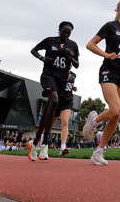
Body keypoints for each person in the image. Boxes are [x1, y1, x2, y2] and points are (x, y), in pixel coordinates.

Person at [83, 0, 120, 165]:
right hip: (109, 70)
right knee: (116, 110)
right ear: (117, 10)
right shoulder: (110, 26)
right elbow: (90, 44)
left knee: (116, 117)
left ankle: (98, 152)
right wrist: (106, 54)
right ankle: (94, 121)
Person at [29, 21, 80, 161]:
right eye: (64, 31)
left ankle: (35, 143)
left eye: (69, 33)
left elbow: (77, 65)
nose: (66, 34)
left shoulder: (73, 45)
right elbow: (33, 50)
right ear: (59, 30)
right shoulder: (49, 41)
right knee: (55, 101)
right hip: (48, 76)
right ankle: (45, 143)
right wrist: (42, 58)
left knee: (49, 107)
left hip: (61, 81)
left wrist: (71, 57)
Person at [50, 70, 77, 156]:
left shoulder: (73, 75)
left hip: (67, 101)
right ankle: (40, 140)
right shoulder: (58, 72)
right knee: (49, 125)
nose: (71, 64)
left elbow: (67, 85)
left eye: (72, 62)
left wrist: (73, 88)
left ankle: (62, 147)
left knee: (65, 122)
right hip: (57, 100)